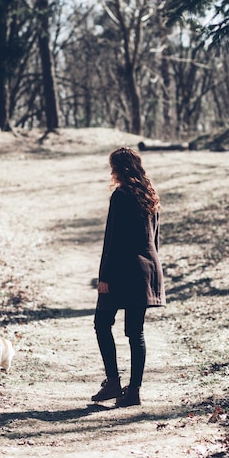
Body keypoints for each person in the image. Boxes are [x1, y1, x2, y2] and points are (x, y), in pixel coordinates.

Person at [91, 147, 165, 407]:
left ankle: (113, 381)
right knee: (136, 333)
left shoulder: (121, 196)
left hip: (122, 270)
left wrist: (104, 277)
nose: (111, 171)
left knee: (102, 323)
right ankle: (133, 392)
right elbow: (155, 240)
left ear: (119, 168)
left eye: (112, 166)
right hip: (146, 270)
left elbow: (112, 241)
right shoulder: (151, 197)